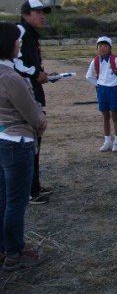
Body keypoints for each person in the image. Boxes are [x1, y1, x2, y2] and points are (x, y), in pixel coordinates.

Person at [0, 22, 48, 271]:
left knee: (3, 198)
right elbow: (31, 113)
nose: (19, 44)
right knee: (16, 202)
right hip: (17, 143)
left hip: (2, 140)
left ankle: (5, 247)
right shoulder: (10, 77)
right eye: (17, 40)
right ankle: (14, 252)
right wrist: (41, 120)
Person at [15, 0, 55, 205]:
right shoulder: (20, 31)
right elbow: (14, 62)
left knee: (35, 141)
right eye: (37, 12)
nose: (42, 15)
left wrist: (42, 73)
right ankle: (29, 191)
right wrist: (35, 73)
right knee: (29, 141)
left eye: (43, 12)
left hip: (33, 91)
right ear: (25, 15)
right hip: (25, 95)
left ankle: (35, 185)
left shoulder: (31, 34)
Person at [86, 36, 117, 152]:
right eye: (100, 46)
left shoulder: (115, 60)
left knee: (115, 116)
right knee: (105, 116)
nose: (102, 48)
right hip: (102, 90)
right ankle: (107, 141)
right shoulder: (96, 61)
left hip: (113, 90)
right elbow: (89, 76)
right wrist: (98, 85)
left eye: (105, 46)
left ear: (110, 48)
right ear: (97, 48)